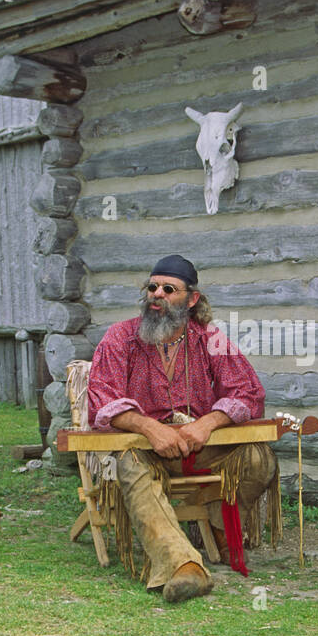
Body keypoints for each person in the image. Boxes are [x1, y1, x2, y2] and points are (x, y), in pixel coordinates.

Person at [86, 255, 279, 603]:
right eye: (152, 287)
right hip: (147, 450)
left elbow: (248, 392)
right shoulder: (120, 338)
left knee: (258, 457)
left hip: (201, 447)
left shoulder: (210, 339)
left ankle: (218, 525)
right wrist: (148, 427)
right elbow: (102, 399)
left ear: (191, 299)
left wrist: (207, 423)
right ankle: (183, 566)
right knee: (129, 462)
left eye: (168, 289)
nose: (157, 294)